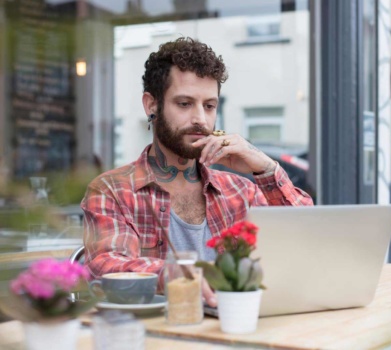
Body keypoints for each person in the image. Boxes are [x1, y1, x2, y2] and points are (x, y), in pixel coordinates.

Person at [81, 37, 313, 307]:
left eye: (209, 106)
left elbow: (304, 239)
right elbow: (108, 265)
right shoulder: (112, 190)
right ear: (151, 104)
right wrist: (177, 274)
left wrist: (264, 167)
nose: (200, 119)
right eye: (184, 104)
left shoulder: (241, 190)